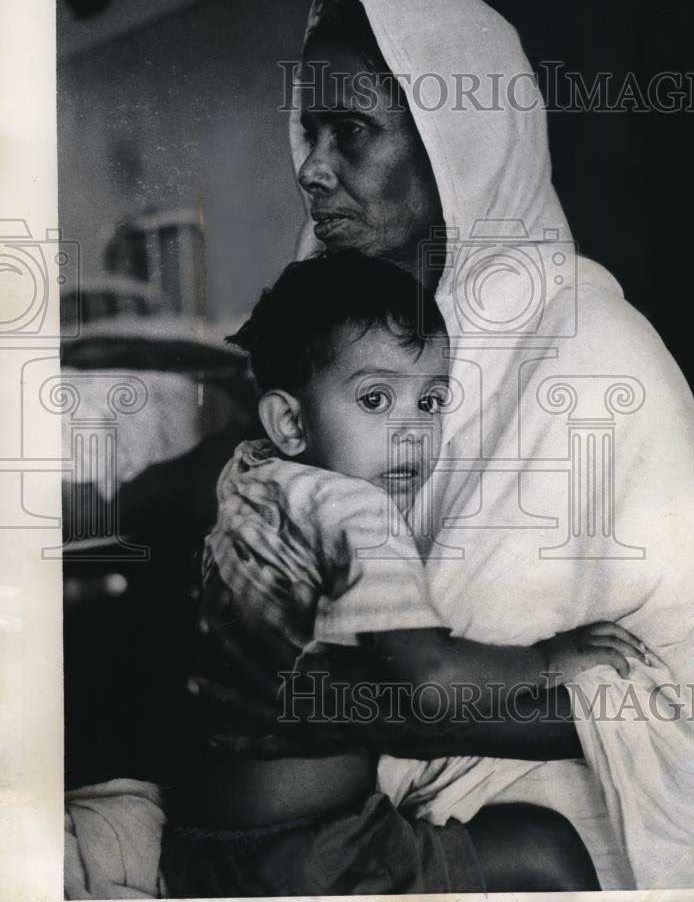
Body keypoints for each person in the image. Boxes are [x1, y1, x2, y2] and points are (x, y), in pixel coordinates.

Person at [202, 0, 694, 890]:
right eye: (307, 133)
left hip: (566, 804)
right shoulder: (341, 343)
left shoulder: (594, 356)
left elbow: (692, 709)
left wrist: (348, 703)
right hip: (352, 817)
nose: (311, 169)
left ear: (461, 144)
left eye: (350, 132)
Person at [164, 249, 665, 896]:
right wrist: (551, 659)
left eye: (431, 401)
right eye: (376, 399)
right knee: (546, 848)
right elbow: (431, 682)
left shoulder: (250, 477)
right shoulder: (357, 510)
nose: (413, 434)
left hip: (203, 847)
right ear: (289, 421)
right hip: (315, 853)